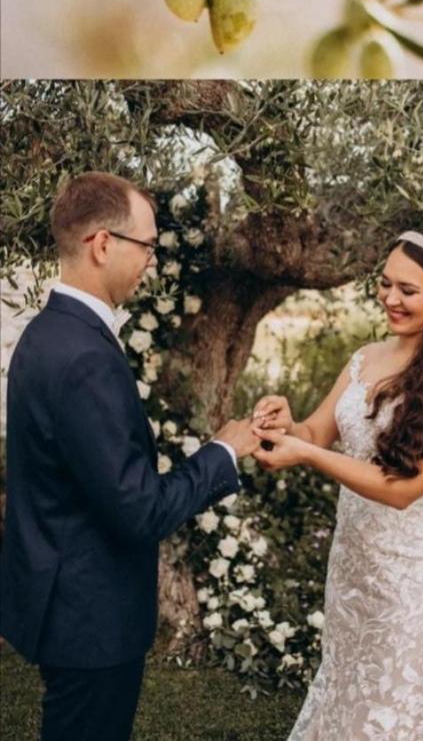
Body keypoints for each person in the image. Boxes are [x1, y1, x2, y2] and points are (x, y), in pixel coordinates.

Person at [0, 172, 258, 741]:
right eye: (147, 245)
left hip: (59, 599)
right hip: (89, 618)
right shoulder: (84, 356)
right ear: (103, 244)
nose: (152, 261)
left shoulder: (47, 335)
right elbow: (139, 510)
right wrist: (223, 451)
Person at [252, 228, 423, 741]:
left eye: (408, 290)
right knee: (349, 690)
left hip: (414, 580)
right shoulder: (365, 357)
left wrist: (308, 454)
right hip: (354, 568)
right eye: (385, 285)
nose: (390, 298)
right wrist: (287, 424)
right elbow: (316, 431)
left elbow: (402, 490)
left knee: (398, 708)